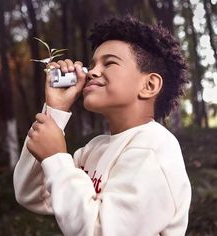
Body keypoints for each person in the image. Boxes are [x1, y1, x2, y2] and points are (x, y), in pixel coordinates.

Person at [13, 15, 191, 236]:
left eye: (109, 63)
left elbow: (102, 231)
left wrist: (56, 158)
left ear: (149, 85)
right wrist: (55, 112)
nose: (92, 72)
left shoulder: (154, 148)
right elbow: (31, 194)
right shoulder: (94, 148)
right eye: (92, 64)